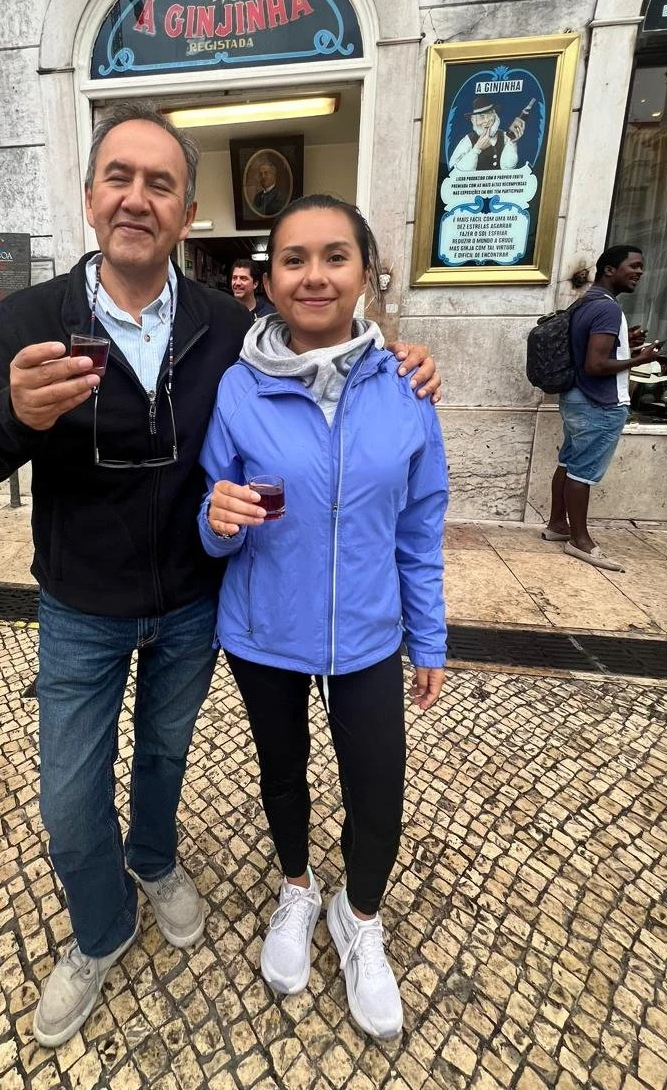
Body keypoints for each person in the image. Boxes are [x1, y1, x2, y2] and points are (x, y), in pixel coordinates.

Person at [0, 99, 442, 1047]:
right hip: (81, 605)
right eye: (118, 179)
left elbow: (317, 349)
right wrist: (15, 415)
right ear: (90, 197)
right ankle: (99, 929)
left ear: (187, 211)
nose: (137, 199)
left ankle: (159, 857)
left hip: (195, 607)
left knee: (165, 759)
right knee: (67, 793)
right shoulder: (29, 316)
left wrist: (401, 362)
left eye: (159, 184)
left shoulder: (225, 325)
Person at [199, 195, 447, 1041]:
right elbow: (210, 510)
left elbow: (419, 527)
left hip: (371, 633)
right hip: (266, 628)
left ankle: (360, 918)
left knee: (378, 788)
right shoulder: (238, 388)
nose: (314, 276)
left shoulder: (408, 386)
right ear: (268, 280)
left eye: (334, 256)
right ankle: (297, 889)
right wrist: (217, 516)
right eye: (294, 259)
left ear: (366, 272)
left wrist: (430, 636)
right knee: (283, 773)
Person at [544, 245, 661, 572]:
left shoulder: (587, 303)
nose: (639, 272)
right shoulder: (608, 310)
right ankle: (580, 541)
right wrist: (643, 358)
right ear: (610, 269)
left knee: (568, 462)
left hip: (577, 397)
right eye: (633, 266)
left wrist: (628, 342)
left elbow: (591, 351)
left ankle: (557, 525)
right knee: (582, 471)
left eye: (641, 267)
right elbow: (596, 364)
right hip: (599, 401)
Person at [449, 94, 522, 172]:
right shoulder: (468, 140)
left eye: (489, 115)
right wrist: (476, 149)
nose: (486, 120)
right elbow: (454, 169)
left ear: (495, 116)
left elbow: (508, 167)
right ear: (474, 120)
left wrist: (512, 142)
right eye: (482, 116)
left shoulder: (505, 136)